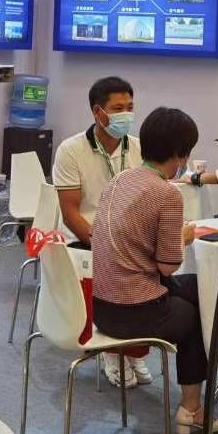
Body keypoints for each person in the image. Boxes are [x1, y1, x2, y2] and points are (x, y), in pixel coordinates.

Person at [91, 107, 218, 434]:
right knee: (201, 313)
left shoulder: (119, 181)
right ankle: (192, 410)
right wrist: (182, 238)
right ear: (180, 154)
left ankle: (193, 407)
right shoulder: (167, 193)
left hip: (101, 307)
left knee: (202, 289)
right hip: (136, 311)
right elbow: (168, 265)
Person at [52, 76, 146, 388]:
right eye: (118, 108)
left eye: (130, 107)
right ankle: (110, 348)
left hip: (127, 238)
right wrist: (106, 246)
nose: (126, 114)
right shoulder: (71, 150)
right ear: (98, 112)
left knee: (156, 270)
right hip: (85, 238)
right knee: (116, 271)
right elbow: (70, 214)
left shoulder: (139, 148)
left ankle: (134, 348)